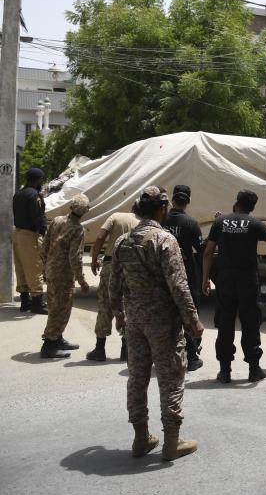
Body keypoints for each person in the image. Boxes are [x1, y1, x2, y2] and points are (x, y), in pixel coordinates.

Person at [109, 186, 204, 461]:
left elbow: (113, 285)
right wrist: (193, 321)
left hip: (134, 321)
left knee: (137, 379)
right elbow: (179, 286)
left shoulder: (122, 242)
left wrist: (119, 315)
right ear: (162, 209)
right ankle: (172, 442)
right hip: (163, 323)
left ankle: (141, 439)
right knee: (171, 378)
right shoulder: (164, 240)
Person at [202, 190, 266, 384]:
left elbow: (208, 253)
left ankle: (225, 372)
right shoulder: (254, 223)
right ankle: (254, 370)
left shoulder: (220, 222)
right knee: (250, 323)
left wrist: (205, 279)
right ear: (252, 207)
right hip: (247, 281)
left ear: (236, 202)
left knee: (225, 324)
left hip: (225, 281)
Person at [39, 195, 91, 359]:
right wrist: (82, 280)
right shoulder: (77, 229)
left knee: (56, 307)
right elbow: (75, 257)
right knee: (60, 310)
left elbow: (45, 245)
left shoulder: (57, 220)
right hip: (63, 275)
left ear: (71, 207)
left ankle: (57, 338)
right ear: (84, 212)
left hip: (51, 270)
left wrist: (45, 266)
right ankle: (49, 345)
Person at [87, 207, 140, 362]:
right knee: (126, 306)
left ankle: (99, 348)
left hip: (110, 264)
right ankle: (125, 350)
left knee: (105, 305)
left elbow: (100, 237)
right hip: (130, 266)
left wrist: (94, 258)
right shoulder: (141, 222)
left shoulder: (115, 216)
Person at [161, 185, 205, 371]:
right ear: (188, 201)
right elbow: (202, 250)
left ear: (172, 199)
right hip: (185, 274)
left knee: (166, 315)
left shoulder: (161, 220)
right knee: (188, 312)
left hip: (162, 275)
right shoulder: (191, 223)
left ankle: (166, 356)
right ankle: (192, 356)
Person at [13, 167, 48, 315]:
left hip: (17, 233)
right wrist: (42, 230)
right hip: (29, 235)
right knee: (34, 268)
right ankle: (36, 304)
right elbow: (37, 217)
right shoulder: (34, 195)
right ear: (38, 180)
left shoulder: (18, 194)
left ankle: (24, 302)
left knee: (21, 268)